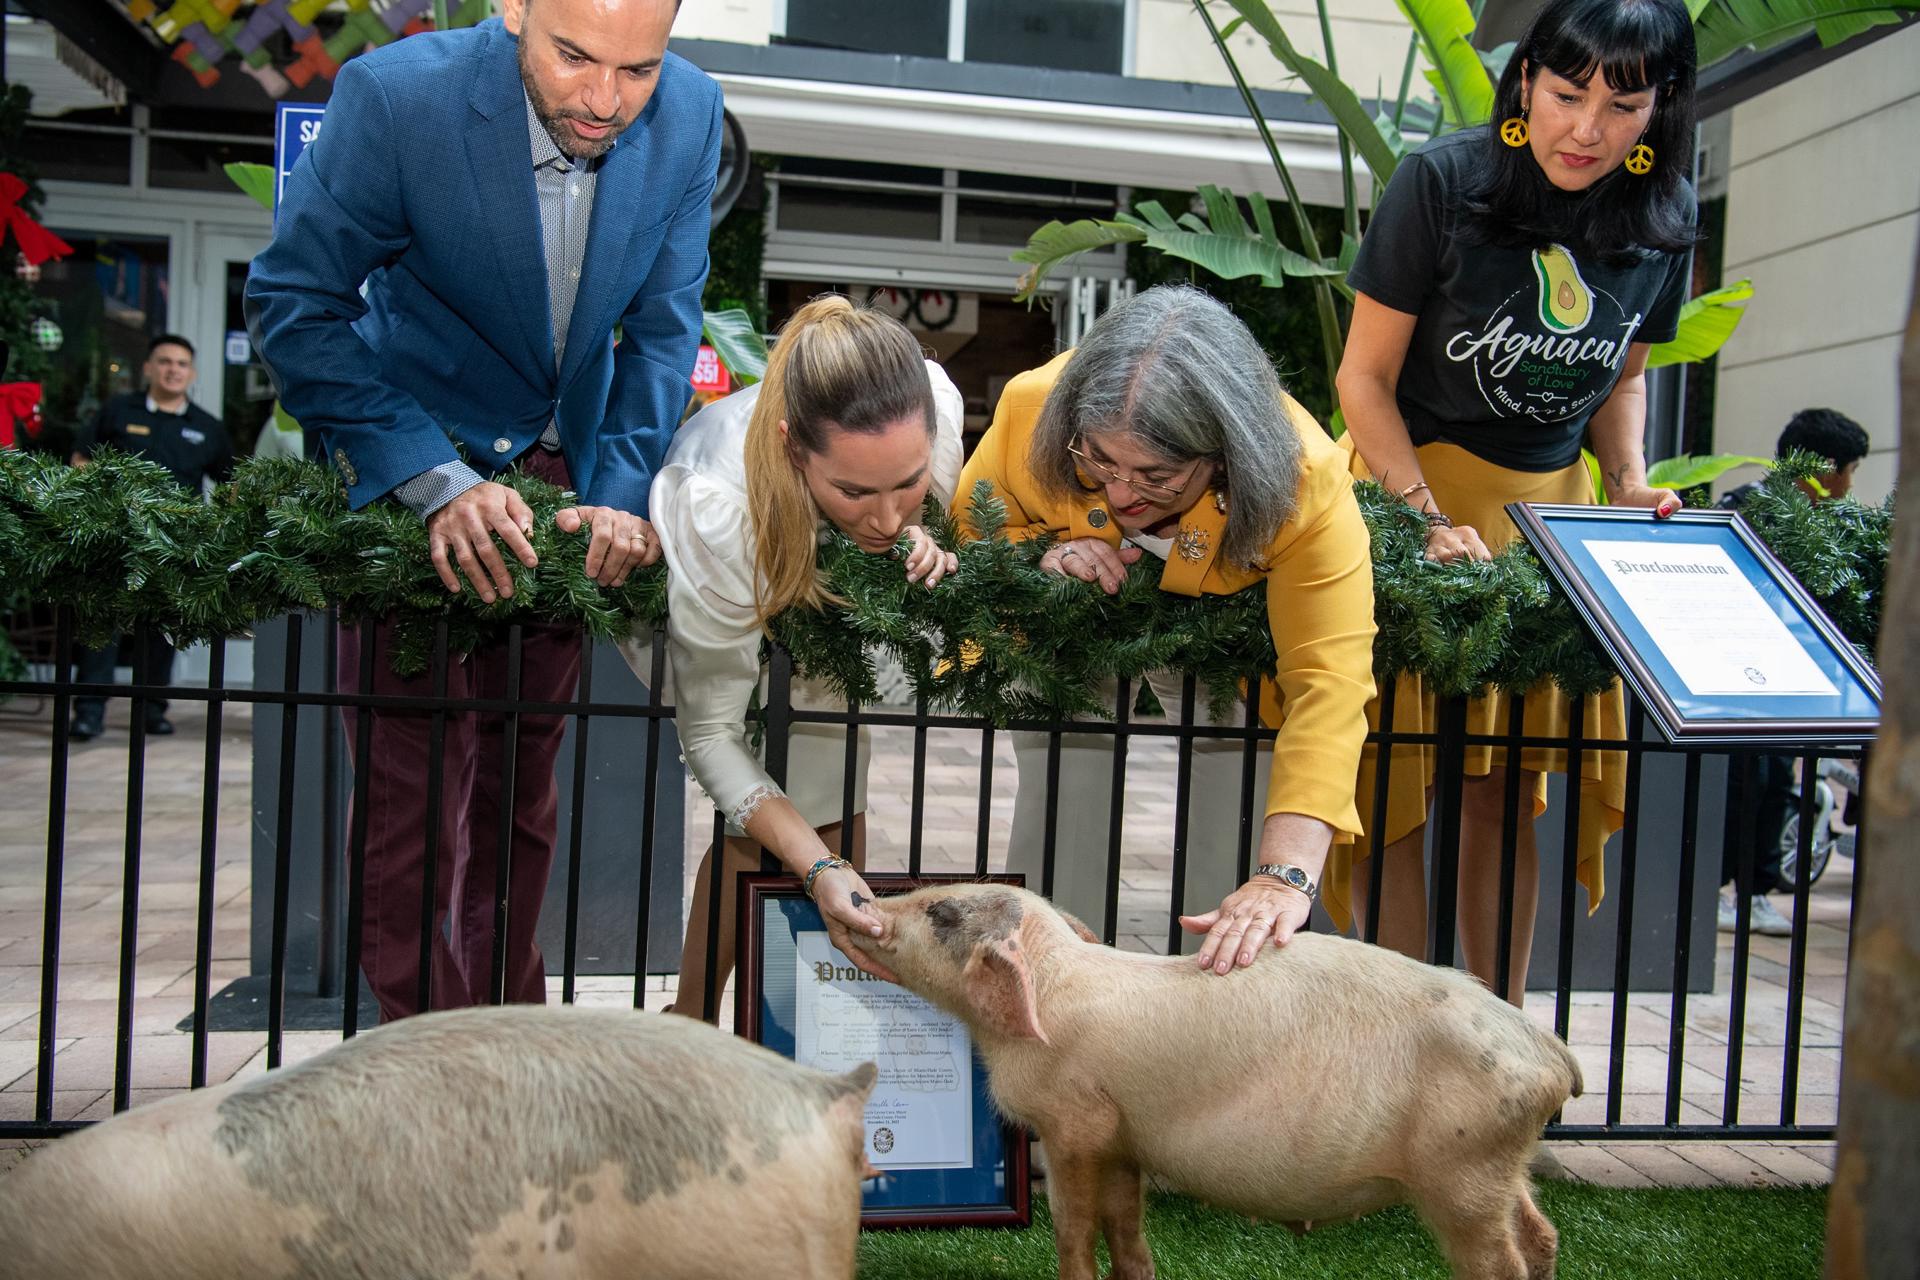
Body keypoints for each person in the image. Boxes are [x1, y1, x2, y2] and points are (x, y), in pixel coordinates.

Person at [245, 0, 722, 1021]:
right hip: (412, 475)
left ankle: (511, 1043)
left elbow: (662, 330)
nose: (605, 101)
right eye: (574, 57)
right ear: (513, 9)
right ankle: (426, 1063)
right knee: (409, 800)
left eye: (638, 69)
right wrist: (430, 478)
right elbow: (295, 301)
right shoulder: (398, 97)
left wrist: (617, 496)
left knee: (522, 796)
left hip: (559, 494)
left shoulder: (691, 114)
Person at [1337, 0, 1698, 1003]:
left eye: (1623, 104)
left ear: (1660, 107)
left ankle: (1501, 1044)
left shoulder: (1663, 217)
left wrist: (1628, 481)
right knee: (1391, 787)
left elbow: (1623, 378)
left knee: (1506, 789)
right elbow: (1363, 378)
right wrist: (1421, 519)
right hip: (1410, 495)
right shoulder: (1443, 183)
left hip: (1549, 519)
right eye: (1568, 92)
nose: (1587, 128)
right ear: (1526, 79)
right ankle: (1397, 1045)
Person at [956, 284, 1378, 974]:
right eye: (1100, 462)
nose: (1121, 495)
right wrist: (1042, 553)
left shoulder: (1304, 478)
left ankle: (1216, 993)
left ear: (1223, 456)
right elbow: (973, 529)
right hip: (1072, 626)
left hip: (1235, 641)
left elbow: (1329, 679)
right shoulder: (1034, 406)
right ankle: (1048, 972)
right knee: (1062, 764)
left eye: (1156, 476)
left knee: (1240, 780)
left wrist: (1285, 875)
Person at [638, 296, 963, 1019]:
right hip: (716, 597)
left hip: (823, 600)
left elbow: (908, 521)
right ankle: (701, 1017)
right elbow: (710, 735)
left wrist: (920, 534)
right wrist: (817, 864)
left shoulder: (932, 400)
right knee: (781, 805)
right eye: (853, 490)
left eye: (905, 483)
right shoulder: (719, 506)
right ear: (791, 446)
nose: (886, 517)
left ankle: (782, 1027)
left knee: (828, 770)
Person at [1715, 407, 1870, 936]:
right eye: (1848, 469)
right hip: (1731, 683)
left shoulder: (1829, 527)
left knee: (1776, 782)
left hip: (1787, 682)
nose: (1849, 485)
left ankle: (1750, 892)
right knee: (1739, 782)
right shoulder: (1743, 512)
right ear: (1823, 467)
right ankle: (1717, 890)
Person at [69, 333, 235, 740]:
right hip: (115, 538)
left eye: (181, 364)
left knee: (161, 630)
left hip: (173, 546)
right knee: (100, 626)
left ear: (192, 373)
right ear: (148, 368)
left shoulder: (207, 427)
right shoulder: (116, 411)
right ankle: (89, 712)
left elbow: (231, 485)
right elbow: (81, 461)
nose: (173, 369)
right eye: (165, 361)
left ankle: (151, 709)